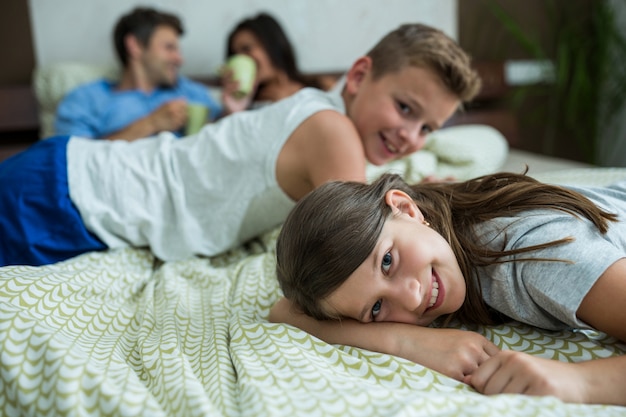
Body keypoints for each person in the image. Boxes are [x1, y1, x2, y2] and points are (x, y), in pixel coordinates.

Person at [0, 23, 482, 269]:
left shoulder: (316, 108)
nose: (409, 136)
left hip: (69, 175)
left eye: (427, 129)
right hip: (70, 198)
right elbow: (364, 245)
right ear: (358, 77)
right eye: (404, 108)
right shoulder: (332, 130)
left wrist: (411, 191)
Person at [271, 171, 626, 406]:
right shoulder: (438, 220)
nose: (411, 298)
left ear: (406, 208)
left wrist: (579, 383)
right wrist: (407, 342)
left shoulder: (536, 258)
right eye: (377, 308)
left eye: (387, 262)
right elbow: (285, 310)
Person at [53, 7, 223, 140]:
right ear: (135, 46)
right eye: (169, 48)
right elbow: (74, 161)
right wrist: (150, 124)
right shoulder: (85, 100)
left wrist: (232, 108)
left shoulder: (189, 91)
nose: (180, 60)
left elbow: (225, 134)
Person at [221, 12, 324, 112]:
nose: (242, 58)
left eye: (247, 49)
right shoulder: (248, 107)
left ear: (272, 45)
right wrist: (234, 111)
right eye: (235, 55)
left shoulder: (320, 87)